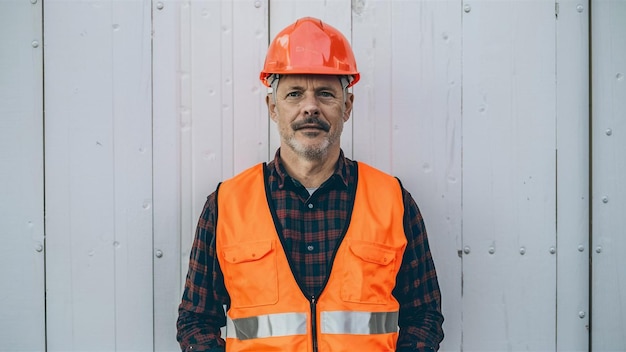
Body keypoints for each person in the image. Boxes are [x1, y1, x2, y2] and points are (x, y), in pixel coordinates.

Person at [176, 17, 444, 352]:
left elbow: (424, 316)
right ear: (273, 107)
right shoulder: (226, 204)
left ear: (347, 106)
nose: (310, 107)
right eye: (294, 93)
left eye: (325, 93)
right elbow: (196, 320)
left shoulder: (392, 200)